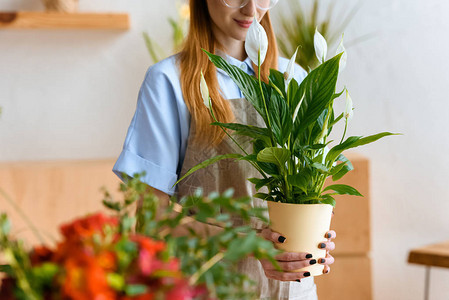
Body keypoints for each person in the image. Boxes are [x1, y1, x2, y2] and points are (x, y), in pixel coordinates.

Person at [113, 0, 336, 299]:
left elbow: (306, 191)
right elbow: (152, 221)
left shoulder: (292, 78)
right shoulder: (169, 81)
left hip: (293, 291)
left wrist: (316, 242)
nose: (250, 10)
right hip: (209, 286)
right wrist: (247, 242)